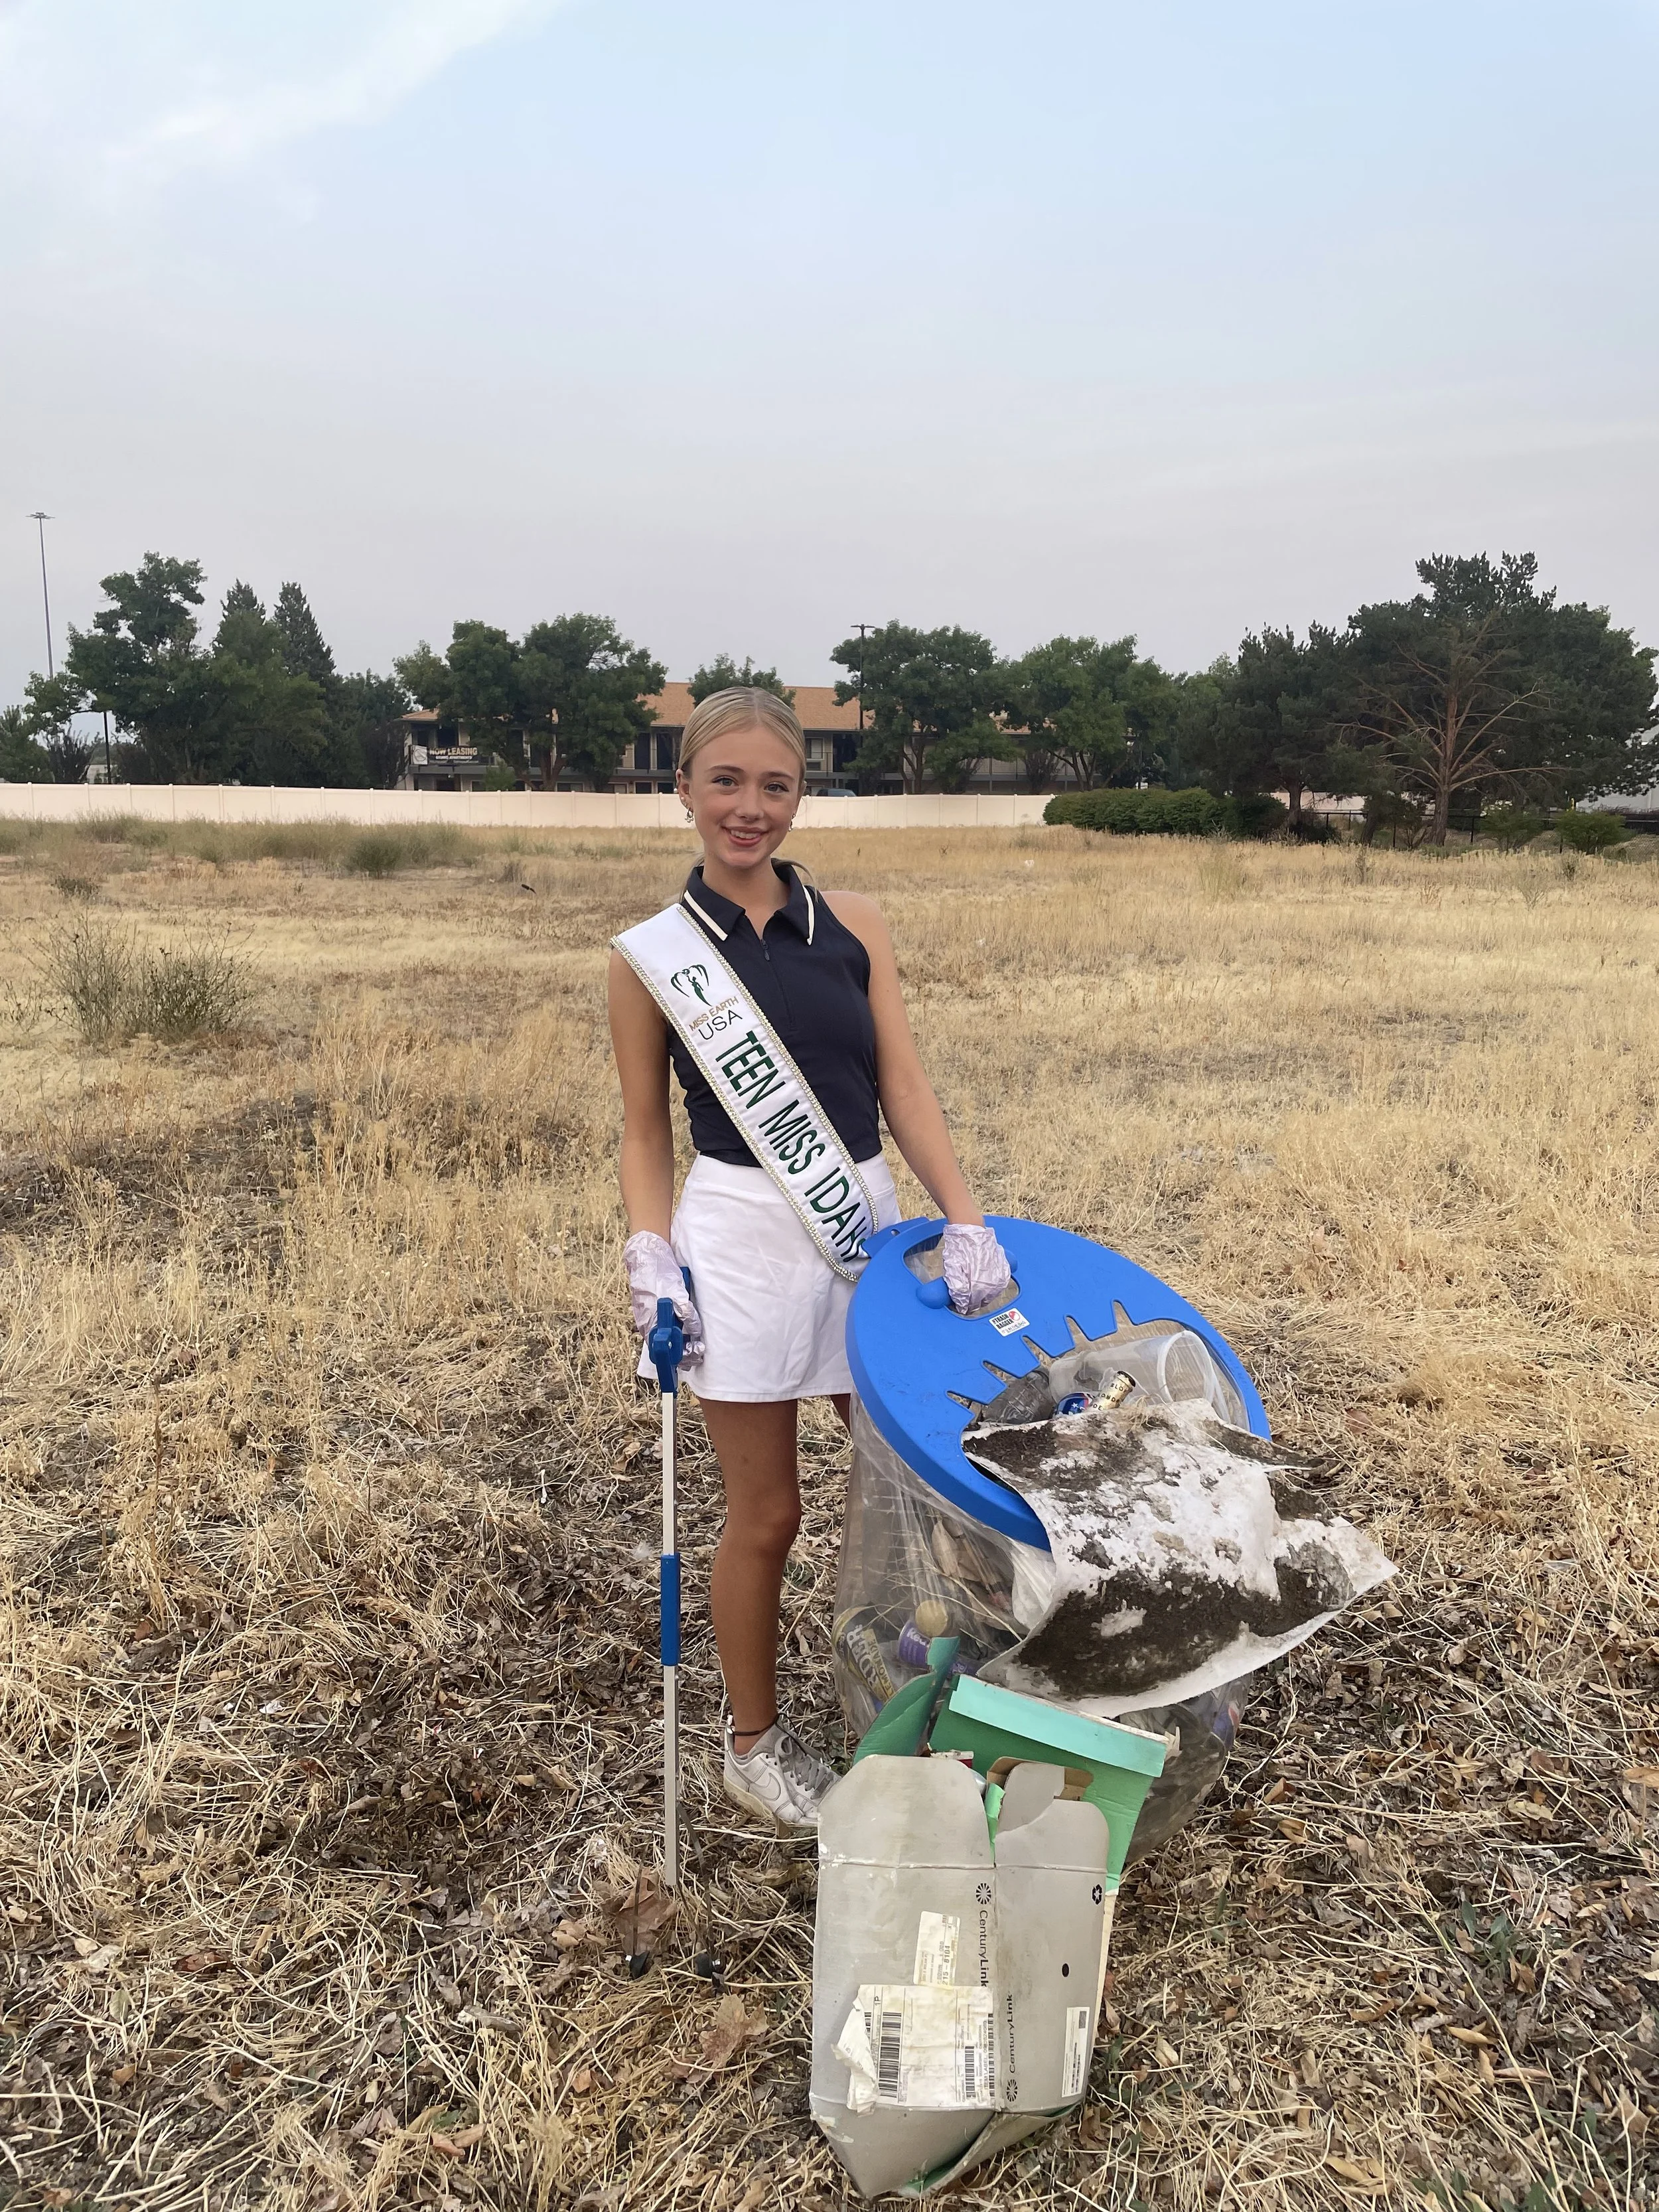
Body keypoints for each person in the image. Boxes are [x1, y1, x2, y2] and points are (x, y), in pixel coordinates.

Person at [607, 687, 1011, 1828]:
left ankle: (948, 1694)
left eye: (773, 786)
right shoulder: (652, 959)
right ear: (681, 789)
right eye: (724, 782)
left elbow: (904, 1087)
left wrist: (963, 1214)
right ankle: (753, 1744)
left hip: (864, 1225)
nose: (749, 808)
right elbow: (644, 1127)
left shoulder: (858, 923)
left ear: (802, 794)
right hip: (737, 1236)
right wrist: (650, 1250)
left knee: (928, 1484)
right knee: (769, 1513)